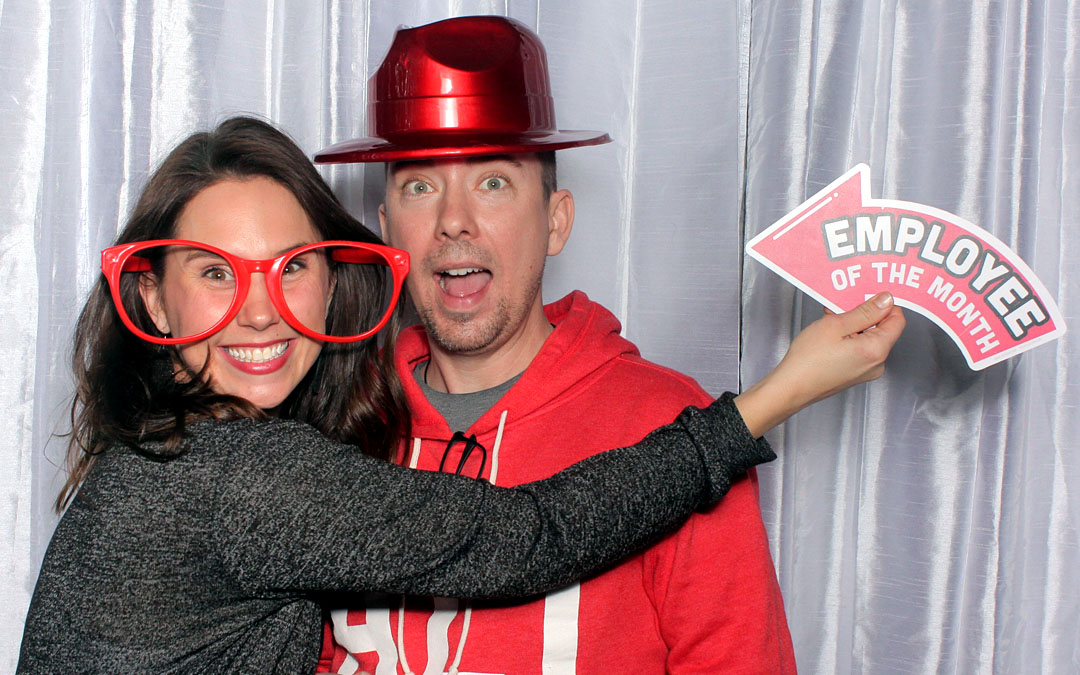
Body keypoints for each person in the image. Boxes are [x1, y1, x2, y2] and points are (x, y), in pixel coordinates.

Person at [15, 115, 874, 674]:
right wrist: (773, 397)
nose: (259, 306)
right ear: (153, 297)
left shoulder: (266, 435)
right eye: (213, 272)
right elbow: (524, 538)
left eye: (292, 267)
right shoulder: (254, 466)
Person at [313, 15, 906, 675]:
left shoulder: (668, 429)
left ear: (556, 221)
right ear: (387, 229)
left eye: (493, 182)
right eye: (421, 186)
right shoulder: (342, 422)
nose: (454, 220)